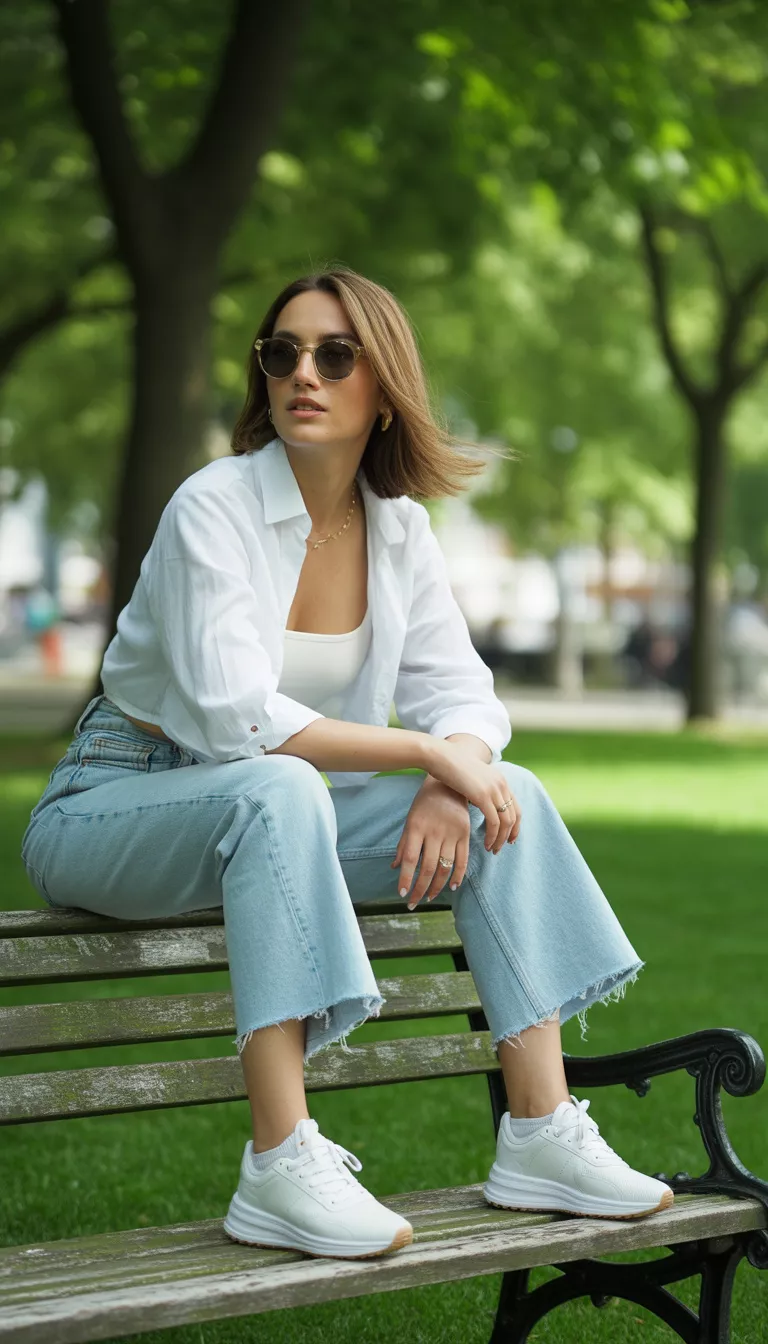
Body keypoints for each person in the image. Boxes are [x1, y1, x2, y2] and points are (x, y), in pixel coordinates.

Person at [20, 266, 673, 1262]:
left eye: (335, 355)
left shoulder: (399, 529)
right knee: (281, 786)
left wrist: (453, 776)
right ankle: (280, 1164)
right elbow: (240, 716)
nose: (304, 374)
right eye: (282, 352)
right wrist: (424, 752)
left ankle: (541, 1132)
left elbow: (466, 696)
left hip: (273, 817)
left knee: (508, 798)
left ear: (386, 389)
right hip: (110, 804)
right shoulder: (212, 507)